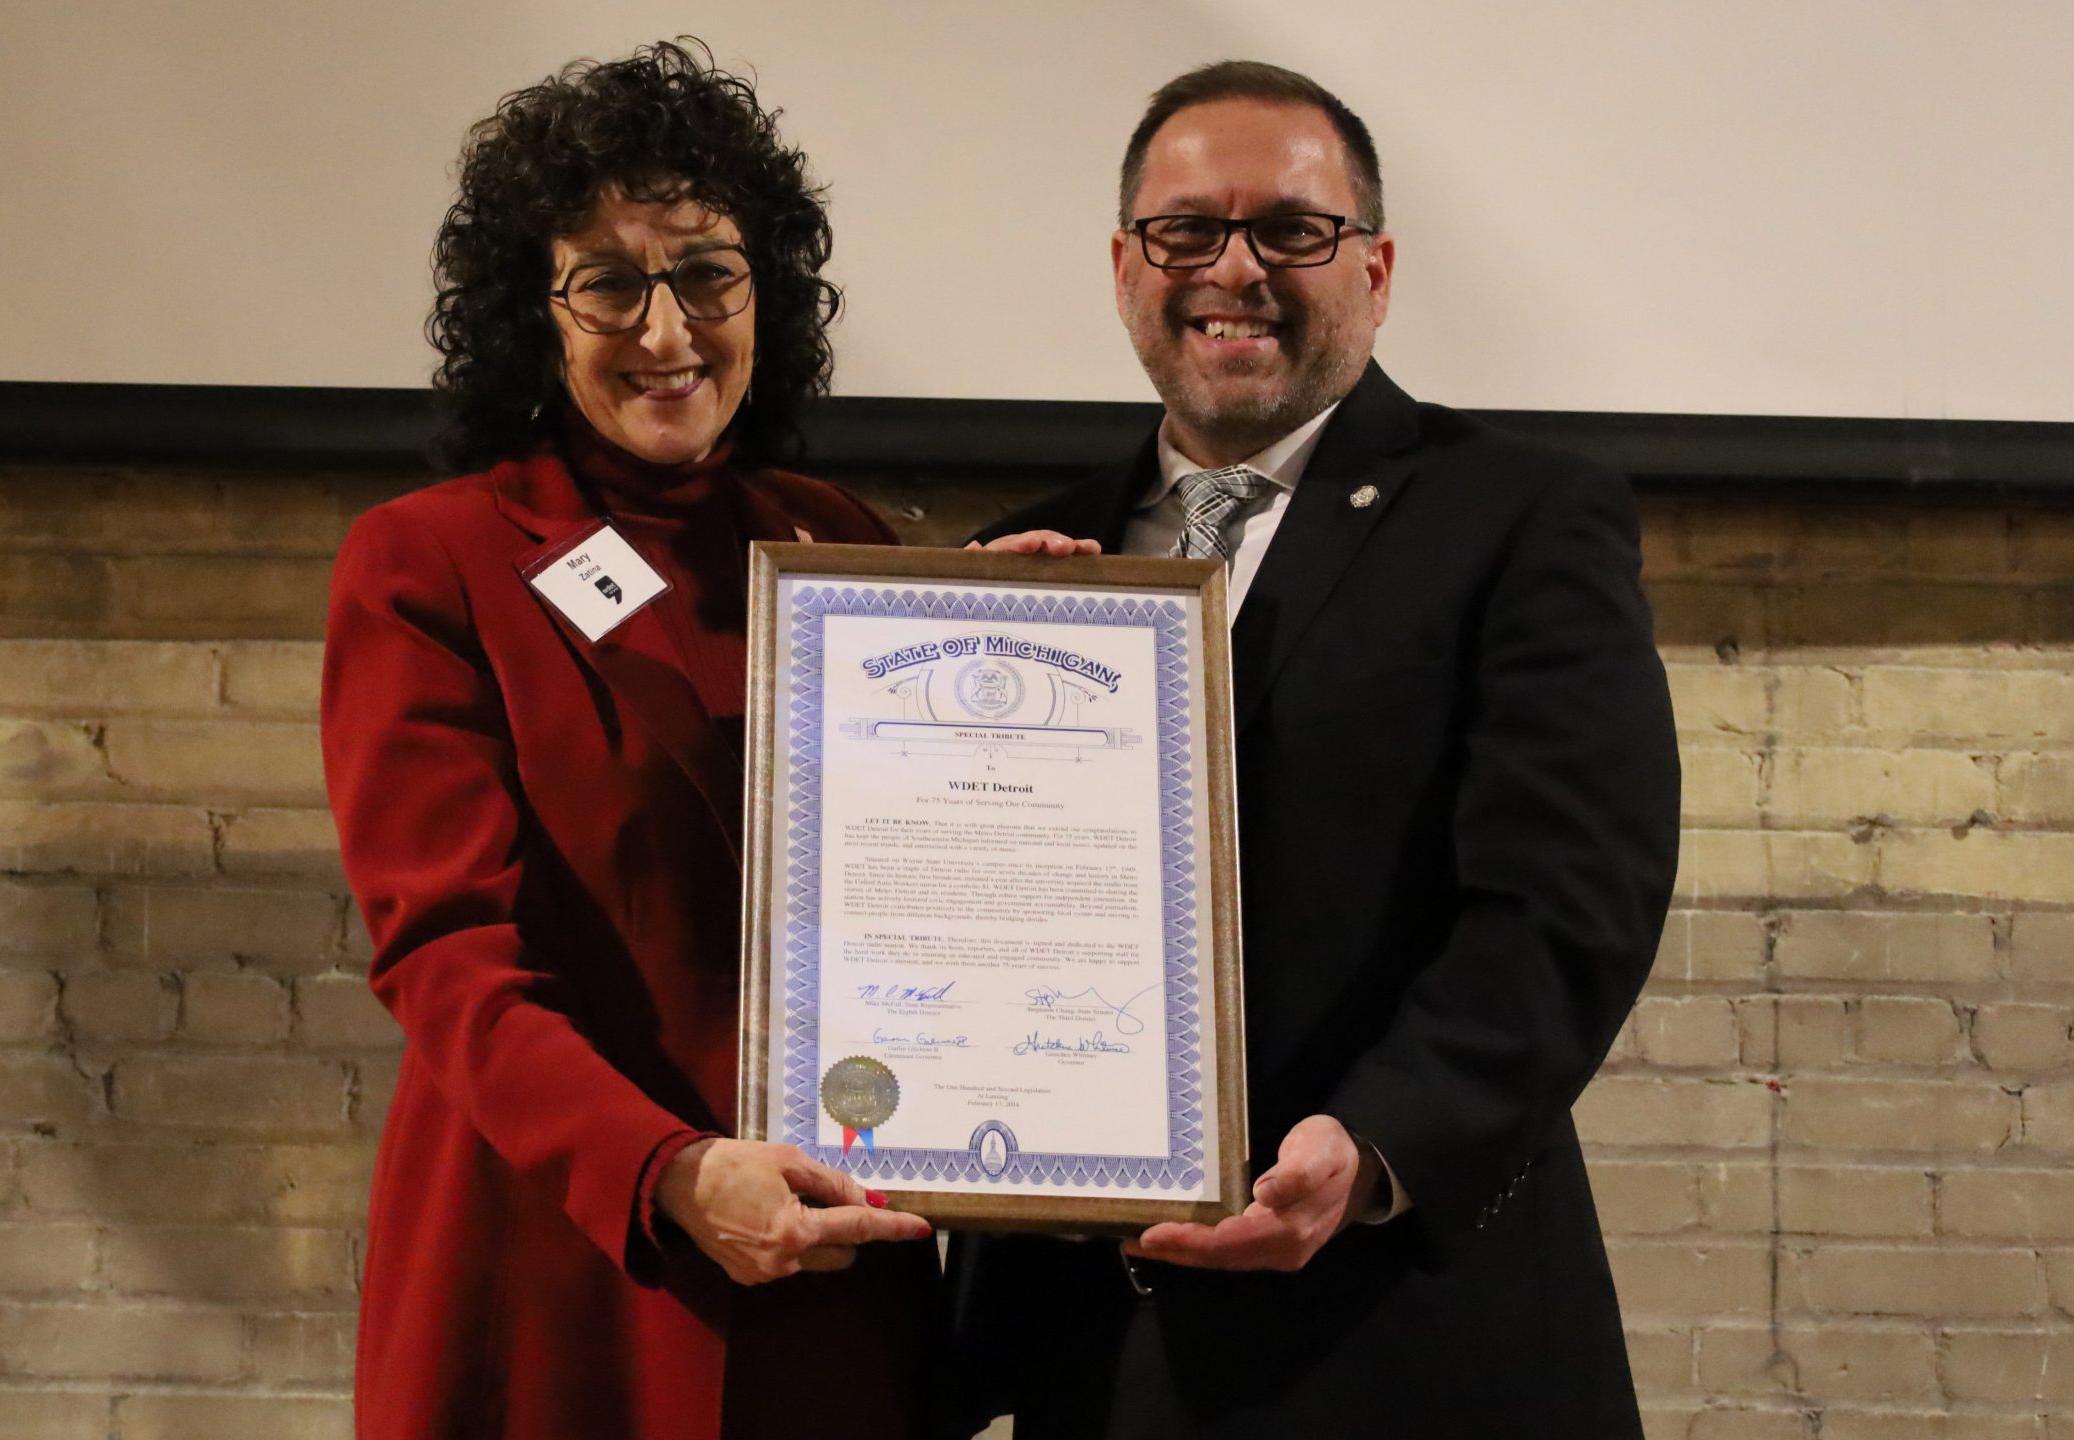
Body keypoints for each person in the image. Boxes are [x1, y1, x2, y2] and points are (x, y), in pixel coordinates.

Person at [944, 61, 1681, 1437]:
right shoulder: (1029, 559)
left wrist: (1374, 1147)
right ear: (1124, 266)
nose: (1235, 268)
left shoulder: (1521, 520)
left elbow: (1567, 907)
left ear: (1377, 268)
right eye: (1186, 230)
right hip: (1096, 1362)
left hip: (1406, 1336)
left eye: (1291, 229)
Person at [321, 41, 936, 1440]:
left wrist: (1015, 637)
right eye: (609, 281)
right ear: (532, 316)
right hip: (559, 1263)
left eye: (709, 273)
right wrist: (664, 1171)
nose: (669, 332)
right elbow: (445, 958)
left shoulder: (841, 546)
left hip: (820, 1274)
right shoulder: (432, 562)